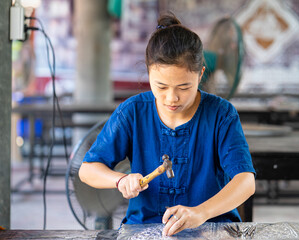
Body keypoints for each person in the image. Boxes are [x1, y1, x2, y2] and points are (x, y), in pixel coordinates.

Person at [79, 13, 256, 236]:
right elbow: (87, 170)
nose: (171, 98)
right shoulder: (132, 112)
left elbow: (246, 181)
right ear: (148, 72)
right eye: (161, 87)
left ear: (200, 75)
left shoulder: (221, 114)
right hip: (144, 229)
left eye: (183, 88)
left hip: (211, 228)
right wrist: (120, 180)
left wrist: (200, 213)